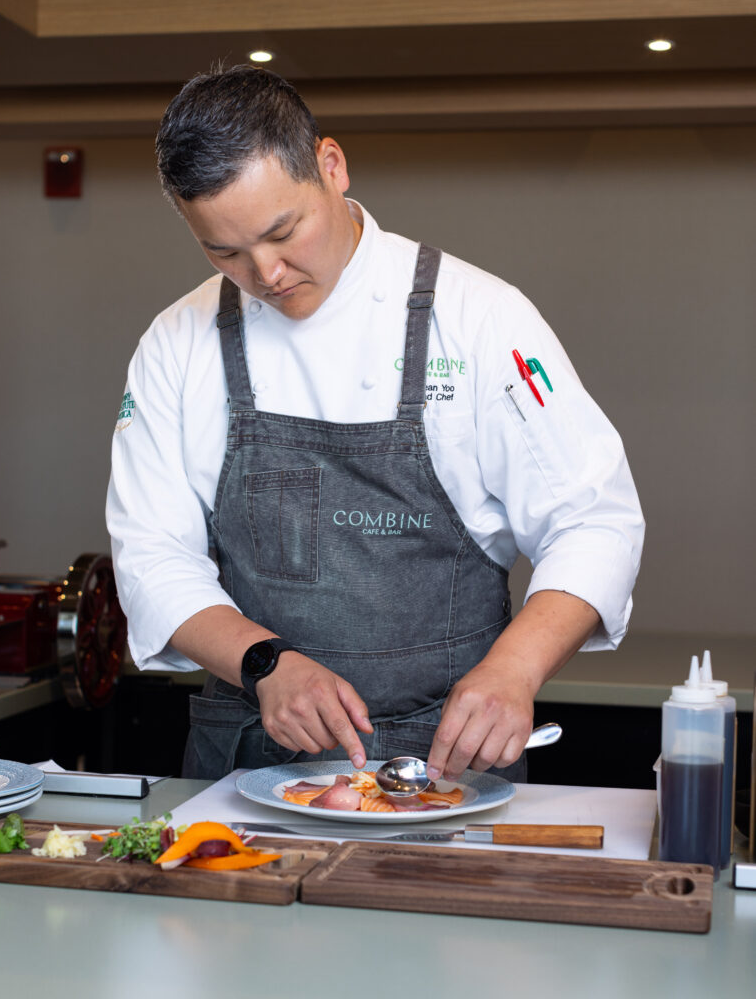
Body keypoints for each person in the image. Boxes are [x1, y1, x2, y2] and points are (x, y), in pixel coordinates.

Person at [107, 64, 644, 784]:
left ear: (330, 165)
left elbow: (593, 522)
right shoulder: (177, 342)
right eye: (224, 251)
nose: (265, 273)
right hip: (245, 768)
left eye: (282, 231)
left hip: (448, 768)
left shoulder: (480, 318)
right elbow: (150, 556)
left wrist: (514, 669)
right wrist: (263, 663)